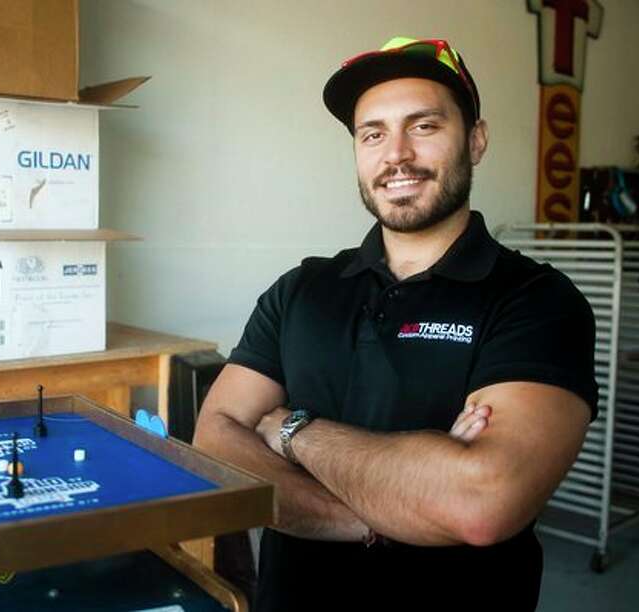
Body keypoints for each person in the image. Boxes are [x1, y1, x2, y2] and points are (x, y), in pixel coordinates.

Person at [193, 37, 598, 611]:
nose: (396, 155)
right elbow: (214, 441)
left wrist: (290, 430)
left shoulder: (537, 301)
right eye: (373, 134)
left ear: (475, 141)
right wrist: (374, 514)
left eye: (424, 126)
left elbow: (482, 501)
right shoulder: (301, 290)